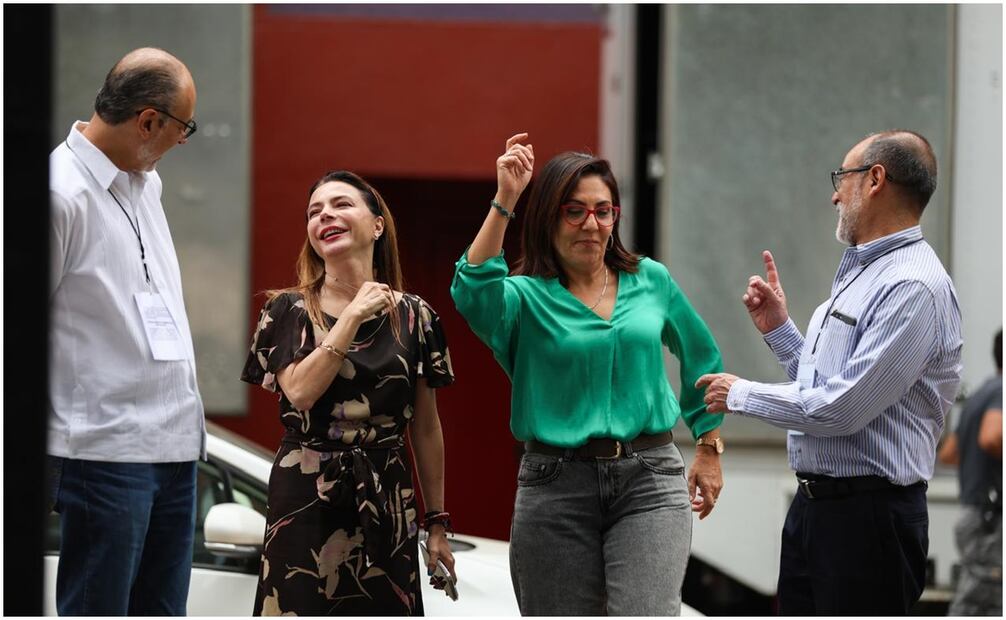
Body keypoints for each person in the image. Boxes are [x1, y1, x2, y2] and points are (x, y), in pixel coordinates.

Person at [451, 133, 726, 615]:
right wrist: (506, 197)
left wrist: (708, 444)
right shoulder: (521, 298)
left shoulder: (651, 279)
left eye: (603, 211)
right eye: (574, 210)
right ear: (548, 218)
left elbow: (702, 357)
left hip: (650, 478)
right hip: (555, 485)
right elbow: (472, 287)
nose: (591, 224)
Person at [697, 130, 963, 615]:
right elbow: (826, 389)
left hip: (869, 519)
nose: (834, 193)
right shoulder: (863, 269)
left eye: (843, 177)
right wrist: (779, 329)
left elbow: (843, 410)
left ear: (875, 179)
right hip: (820, 512)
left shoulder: (912, 286)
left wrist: (741, 394)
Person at [241, 170, 455, 616]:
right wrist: (353, 315)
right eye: (314, 211)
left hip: (387, 493)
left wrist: (437, 523)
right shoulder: (287, 309)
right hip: (305, 494)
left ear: (377, 225)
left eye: (340, 204)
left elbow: (427, 428)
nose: (325, 216)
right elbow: (299, 391)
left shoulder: (417, 317)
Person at [47, 48, 205, 615]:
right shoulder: (58, 193)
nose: (181, 142)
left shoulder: (147, 184)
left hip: (176, 444)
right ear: (147, 121)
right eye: (183, 127)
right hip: (103, 450)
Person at [938, 329, 1002, 616]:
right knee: (982, 602)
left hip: (972, 515)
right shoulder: (1002, 391)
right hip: (989, 520)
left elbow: (949, 454)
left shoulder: (979, 395)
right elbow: (990, 437)